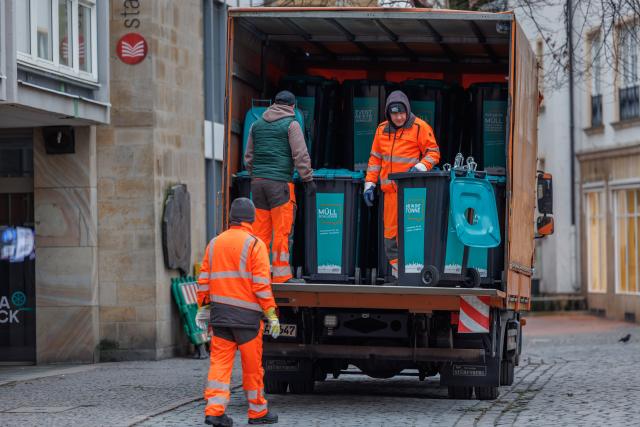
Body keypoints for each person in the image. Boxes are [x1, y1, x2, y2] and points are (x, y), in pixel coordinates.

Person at [197, 198, 281, 426]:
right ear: (252, 219)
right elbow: (261, 285)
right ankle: (257, 412)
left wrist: (203, 308)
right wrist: (271, 314)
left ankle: (214, 411)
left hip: (221, 318)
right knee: (253, 368)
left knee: (219, 365)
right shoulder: (255, 244)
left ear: (231, 218)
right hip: (247, 321)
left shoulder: (214, 243)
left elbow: (204, 280)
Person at [363, 90, 441, 280]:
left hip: (411, 193)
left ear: (407, 111)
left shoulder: (420, 127)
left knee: (412, 233)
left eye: (401, 113)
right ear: (388, 114)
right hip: (390, 193)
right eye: (394, 113)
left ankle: (415, 273)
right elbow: (375, 159)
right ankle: (400, 275)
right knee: (390, 235)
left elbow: (433, 152)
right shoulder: (381, 130)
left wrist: (421, 166)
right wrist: (369, 184)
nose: (398, 117)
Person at [244, 90, 316, 283]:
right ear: (292, 106)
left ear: (274, 104)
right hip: (280, 185)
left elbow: (248, 158)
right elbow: (300, 154)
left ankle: (259, 275)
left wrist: (256, 176)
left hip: (257, 185)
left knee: (260, 232)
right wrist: (307, 179)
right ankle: (282, 276)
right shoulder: (291, 124)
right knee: (281, 231)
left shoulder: (256, 125)